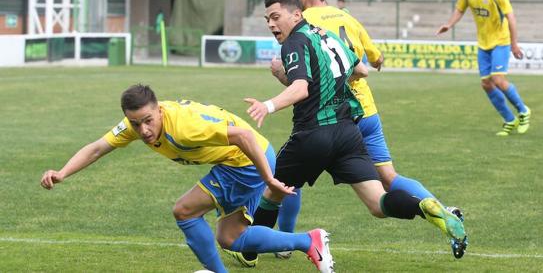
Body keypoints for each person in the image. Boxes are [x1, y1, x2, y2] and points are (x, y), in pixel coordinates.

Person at [236, 0, 466, 268]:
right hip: (347, 133)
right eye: (267, 19)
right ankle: (422, 206)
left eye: (276, 17)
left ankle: (248, 251)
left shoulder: (294, 43)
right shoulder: (326, 36)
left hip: (313, 134)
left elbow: (301, 87)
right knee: (378, 204)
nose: (271, 24)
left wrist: (268, 104)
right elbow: (362, 70)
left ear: (296, 14)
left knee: (273, 191)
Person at [39, 84, 335, 273]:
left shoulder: (183, 127)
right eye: (135, 123)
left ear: (159, 111)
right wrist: (62, 172)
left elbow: (243, 135)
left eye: (148, 121)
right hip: (245, 160)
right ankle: (308, 241)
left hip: (244, 162)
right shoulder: (136, 124)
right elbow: (97, 148)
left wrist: (268, 178)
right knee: (230, 238)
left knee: (184, 210)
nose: (142, 130)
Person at [436, 0, 531, 136]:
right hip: (483, 44)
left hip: (500, 41)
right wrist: (449, 25)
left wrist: (514, 44)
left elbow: (511, 17)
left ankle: (523, 110)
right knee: (486, 84)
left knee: (498, 80)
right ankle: (509, 120)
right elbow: (460, 9)